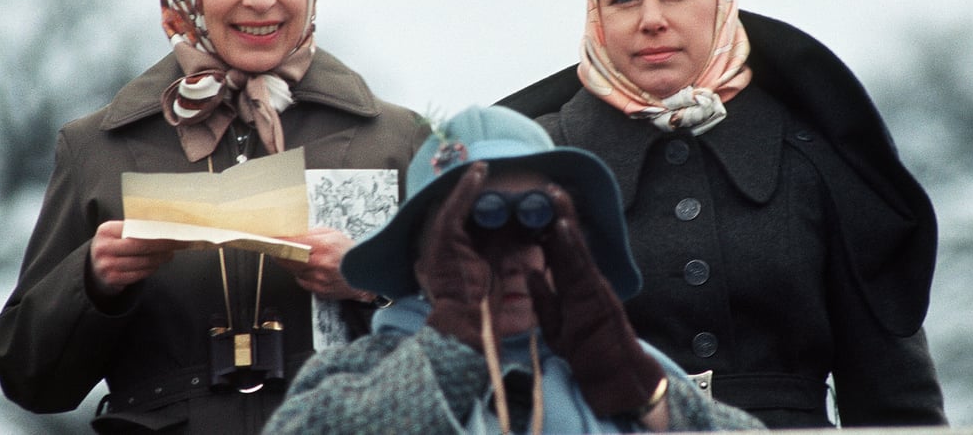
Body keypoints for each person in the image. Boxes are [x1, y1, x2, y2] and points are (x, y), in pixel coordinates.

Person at [0, 0, 427, 433]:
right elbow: (31, 381)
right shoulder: (97, 147)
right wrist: (93, 280)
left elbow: (478, 346)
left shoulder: (395, 142)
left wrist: (369, 281)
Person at [497, 0, 948, 428]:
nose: (652, 19)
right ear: (597, 17)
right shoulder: (538, 165)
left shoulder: (812, 154)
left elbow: (890, 391)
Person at [264, 105, 763, 434]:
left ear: (573, 240)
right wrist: (449, 351)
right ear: (424, 261)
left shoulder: (611, 362)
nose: (512, 258)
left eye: (536, 225)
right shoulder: (357, 372)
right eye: (473, 231)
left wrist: (643, 393)